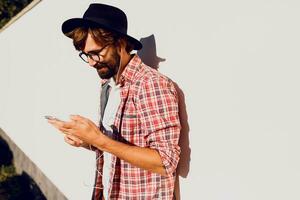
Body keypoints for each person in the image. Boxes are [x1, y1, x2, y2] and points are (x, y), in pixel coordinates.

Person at [48, 3, 181, 200]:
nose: (92, 62)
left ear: (120, 43)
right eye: (86, 55)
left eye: (96, 52)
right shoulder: (108, 84)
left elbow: (165, 162)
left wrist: (99, 140)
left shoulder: (150, 85)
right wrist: (88, 142)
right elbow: (118, 148)